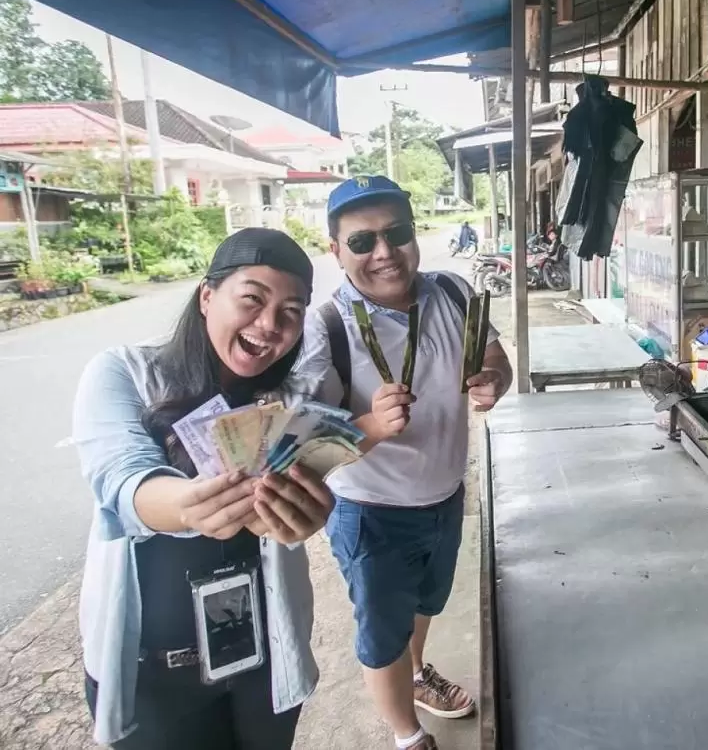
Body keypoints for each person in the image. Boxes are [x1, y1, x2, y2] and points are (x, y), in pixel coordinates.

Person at [74, 229, 337, 748]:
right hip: (157, 676)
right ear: (207, 295)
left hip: (263, 658)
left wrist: (306, 513)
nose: (269, 325)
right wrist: (188, 508)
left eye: (291, 311)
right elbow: (122, 478)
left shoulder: (287, 404)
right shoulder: (123, 373)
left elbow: (317, 473)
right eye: (252, 299)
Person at [295, 176, 512, 750]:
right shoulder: (327, 328)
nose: (384, 252)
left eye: (397, 233)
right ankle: (407, 736)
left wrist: (494, 379)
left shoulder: (454, 292)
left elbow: (491, 353)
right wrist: (367, 426)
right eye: (362, 241)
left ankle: (417, 675)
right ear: (335, 250)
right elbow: (304, 453)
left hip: (444, 496)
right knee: (382, 632)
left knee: (425, 603)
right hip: (372, 512)